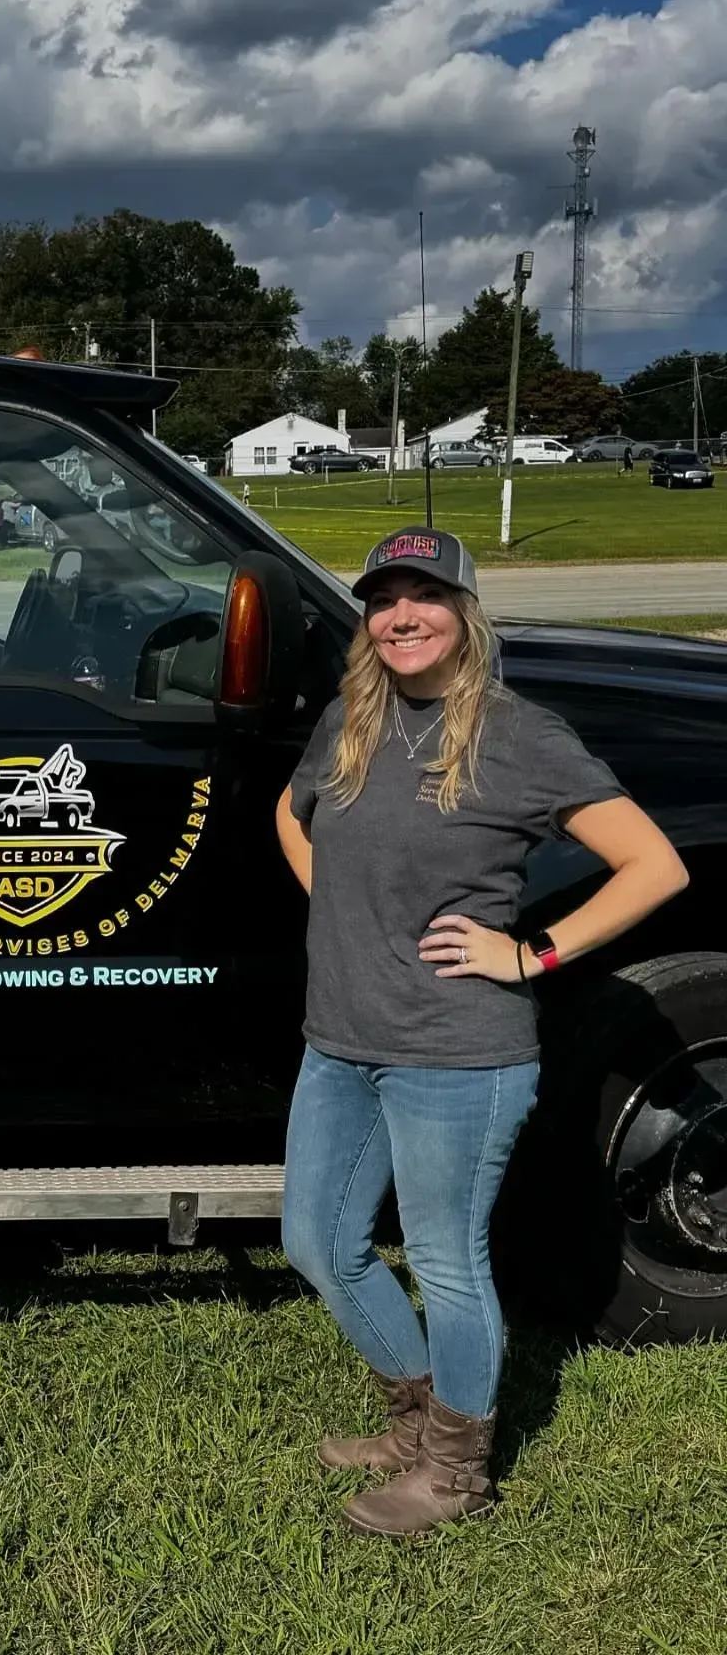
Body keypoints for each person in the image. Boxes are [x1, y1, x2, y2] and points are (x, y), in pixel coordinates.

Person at [275, 526, 687, 1539]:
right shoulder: (349, 718)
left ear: (465, 614)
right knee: (319, 1243)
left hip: (458, 1053)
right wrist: (347, 915)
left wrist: (529, 953)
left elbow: (655, 865)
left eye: (426, 595)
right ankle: (416, 1418)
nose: (403, 615)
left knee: (447, 1259)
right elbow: (294, 817)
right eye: (385, 598)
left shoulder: (520, 735)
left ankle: (457, 1470)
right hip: (339, 1042)